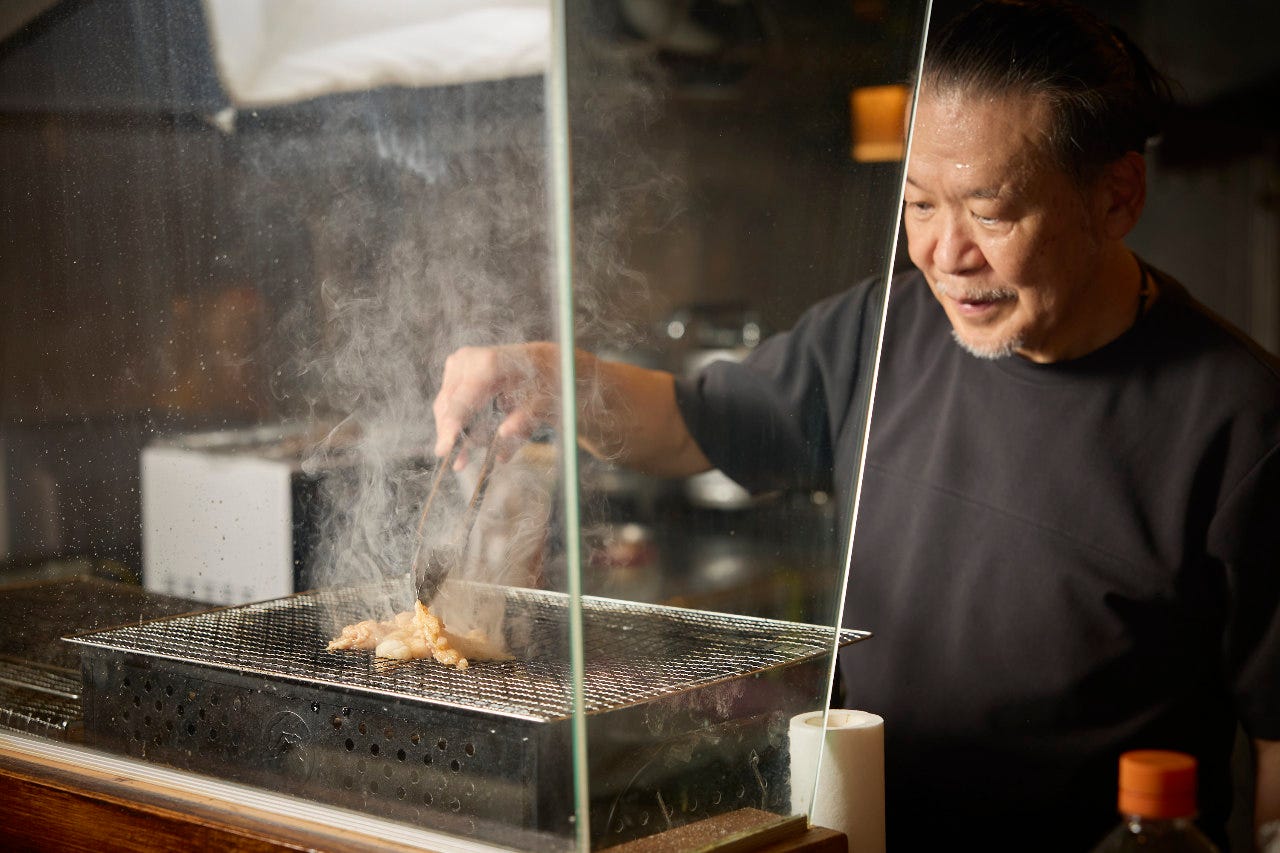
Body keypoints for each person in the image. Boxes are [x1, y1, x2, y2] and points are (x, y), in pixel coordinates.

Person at [432, 1, 1280, 848]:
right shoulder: (881, 328)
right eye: (919, 204)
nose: (944, 254)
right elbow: (692, 425)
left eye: (991, 212)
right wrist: (546, 373)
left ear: (1118, 195)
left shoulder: (1242, 422)